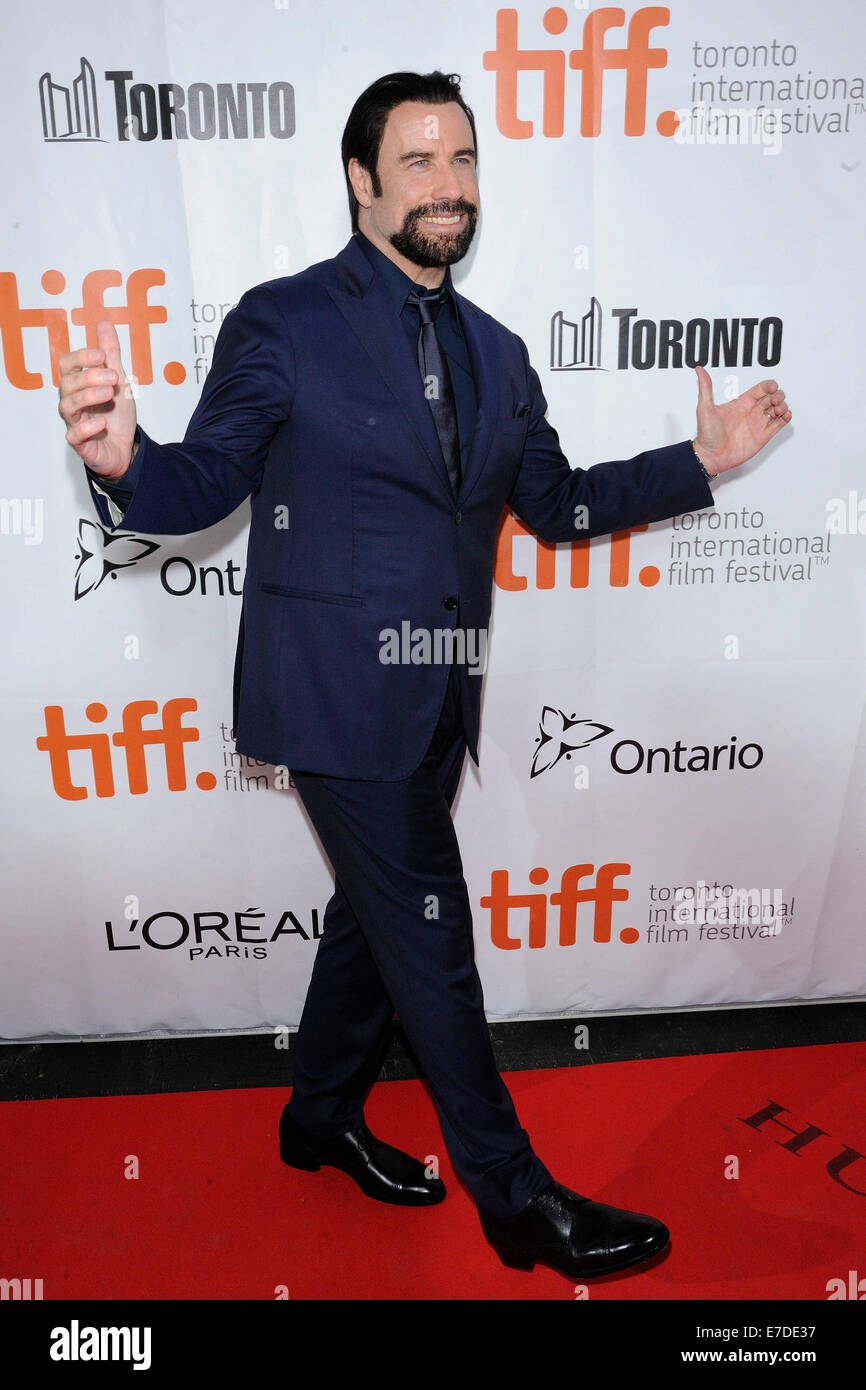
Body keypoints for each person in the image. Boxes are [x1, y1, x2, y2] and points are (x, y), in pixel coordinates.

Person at [57, 69, 792, 1284]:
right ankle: (515, 1203)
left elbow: (555, 507)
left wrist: (698, 461)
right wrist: (127, 460)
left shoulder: (499, 354)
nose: (446, 186)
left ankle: (317, 1115)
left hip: (441, 697)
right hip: (333, 702)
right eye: (417, 162)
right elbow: (200, 487)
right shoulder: (283, 320)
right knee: (433, 940)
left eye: (461, 161)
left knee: (371, 920)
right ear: (359, 181)